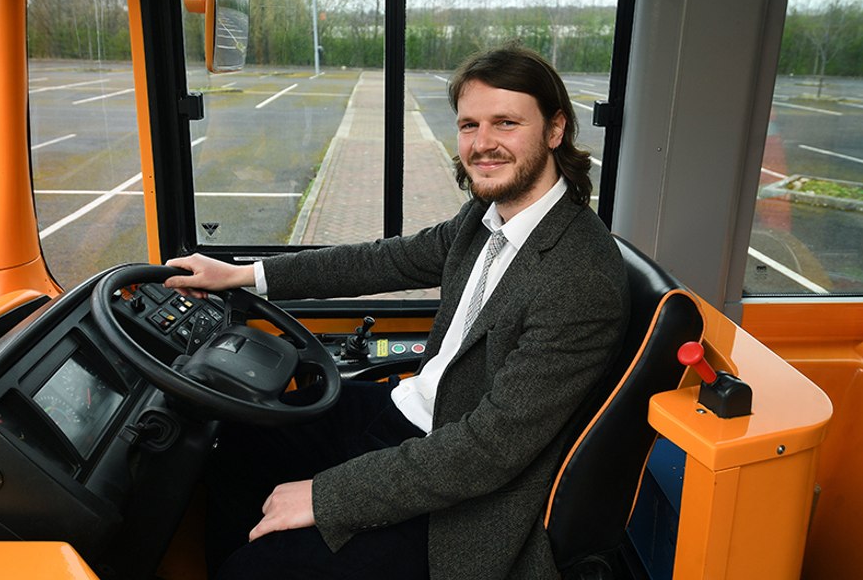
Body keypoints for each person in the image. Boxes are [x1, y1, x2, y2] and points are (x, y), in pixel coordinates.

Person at [165, 44, 630, 580]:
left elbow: (486, 451)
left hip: (463, 496)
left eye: (506, 123)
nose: (482, 144)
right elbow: (385, 260)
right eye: (469, 125)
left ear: (554, 130)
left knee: (262, 571)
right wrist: (245, 275)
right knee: (241, 435)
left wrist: (326, 496)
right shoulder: (487, 215)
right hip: (410, 409)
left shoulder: (580, 277)